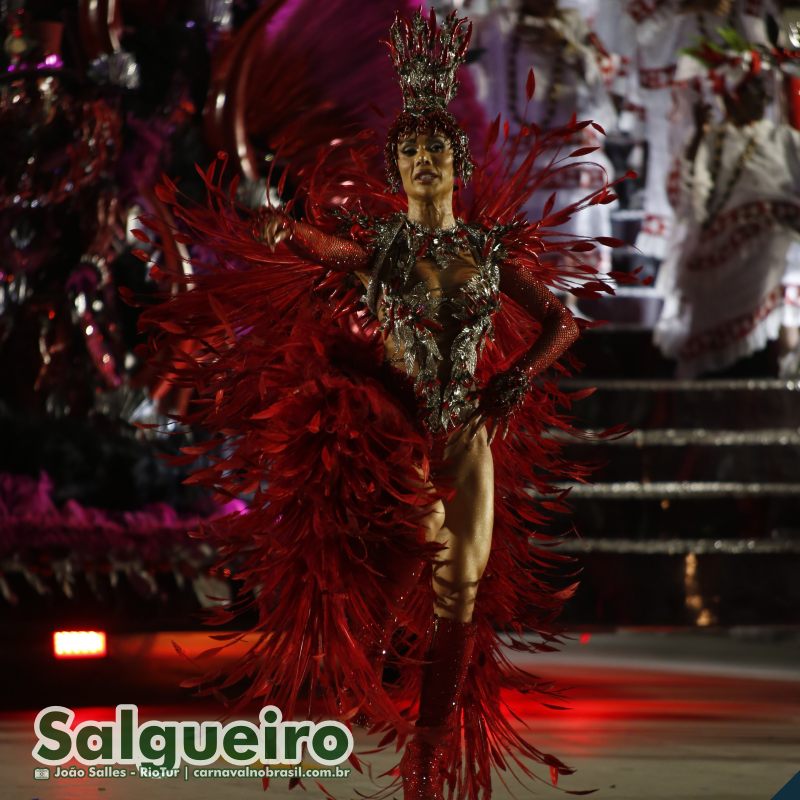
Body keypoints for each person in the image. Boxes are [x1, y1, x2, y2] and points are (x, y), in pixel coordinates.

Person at [140, 9, 617, 799]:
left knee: (461, 590)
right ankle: (366, 675)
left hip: (468, 428)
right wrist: (283, 227)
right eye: (411, 151)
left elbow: (564, 322)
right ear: (396, 168)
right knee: (412, 558)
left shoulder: (491, 252)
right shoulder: (382, 247)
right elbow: (329, 251)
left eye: (435, 149)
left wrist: (520, 374)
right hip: (397, 431)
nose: (424, 160)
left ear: (455, 161)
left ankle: (427, 754)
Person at [653, 50, 800, 377]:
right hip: (714, 250)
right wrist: (695, 147)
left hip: (769, 246)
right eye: (751, 91)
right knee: (702, 275)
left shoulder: (784, 138)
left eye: (762, 91)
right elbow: (685, 196)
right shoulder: (710, 139)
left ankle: (763, 370)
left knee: (770, 256)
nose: (760, 98)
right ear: (731, 99)